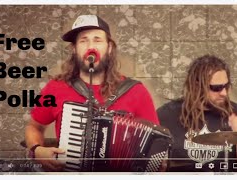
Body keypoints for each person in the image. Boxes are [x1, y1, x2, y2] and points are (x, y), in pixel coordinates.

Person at [24, 15, 159, 172]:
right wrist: (37, 150)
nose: (90, 46)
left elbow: (156, 142)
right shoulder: (55, 88)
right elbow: (34, 127)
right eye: (83, 40)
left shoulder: (136, 91)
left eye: (97, 40)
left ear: (109, 48)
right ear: (74, 49)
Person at [157, 55, 237, 172]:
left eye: (226, 86)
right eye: (216, 88)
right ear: (197, 86)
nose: (223, 93)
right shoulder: (166, 115)